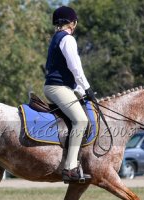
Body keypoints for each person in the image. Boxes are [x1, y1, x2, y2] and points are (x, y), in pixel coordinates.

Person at [44, 6, 96, 183]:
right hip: (58, 88)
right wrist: (87, 88)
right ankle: (70, 168)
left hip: (59, 87)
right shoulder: (68, 39)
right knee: (81, 121)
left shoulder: (56, 38)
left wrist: (81, 91)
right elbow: (75, 68)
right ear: (72, 23)